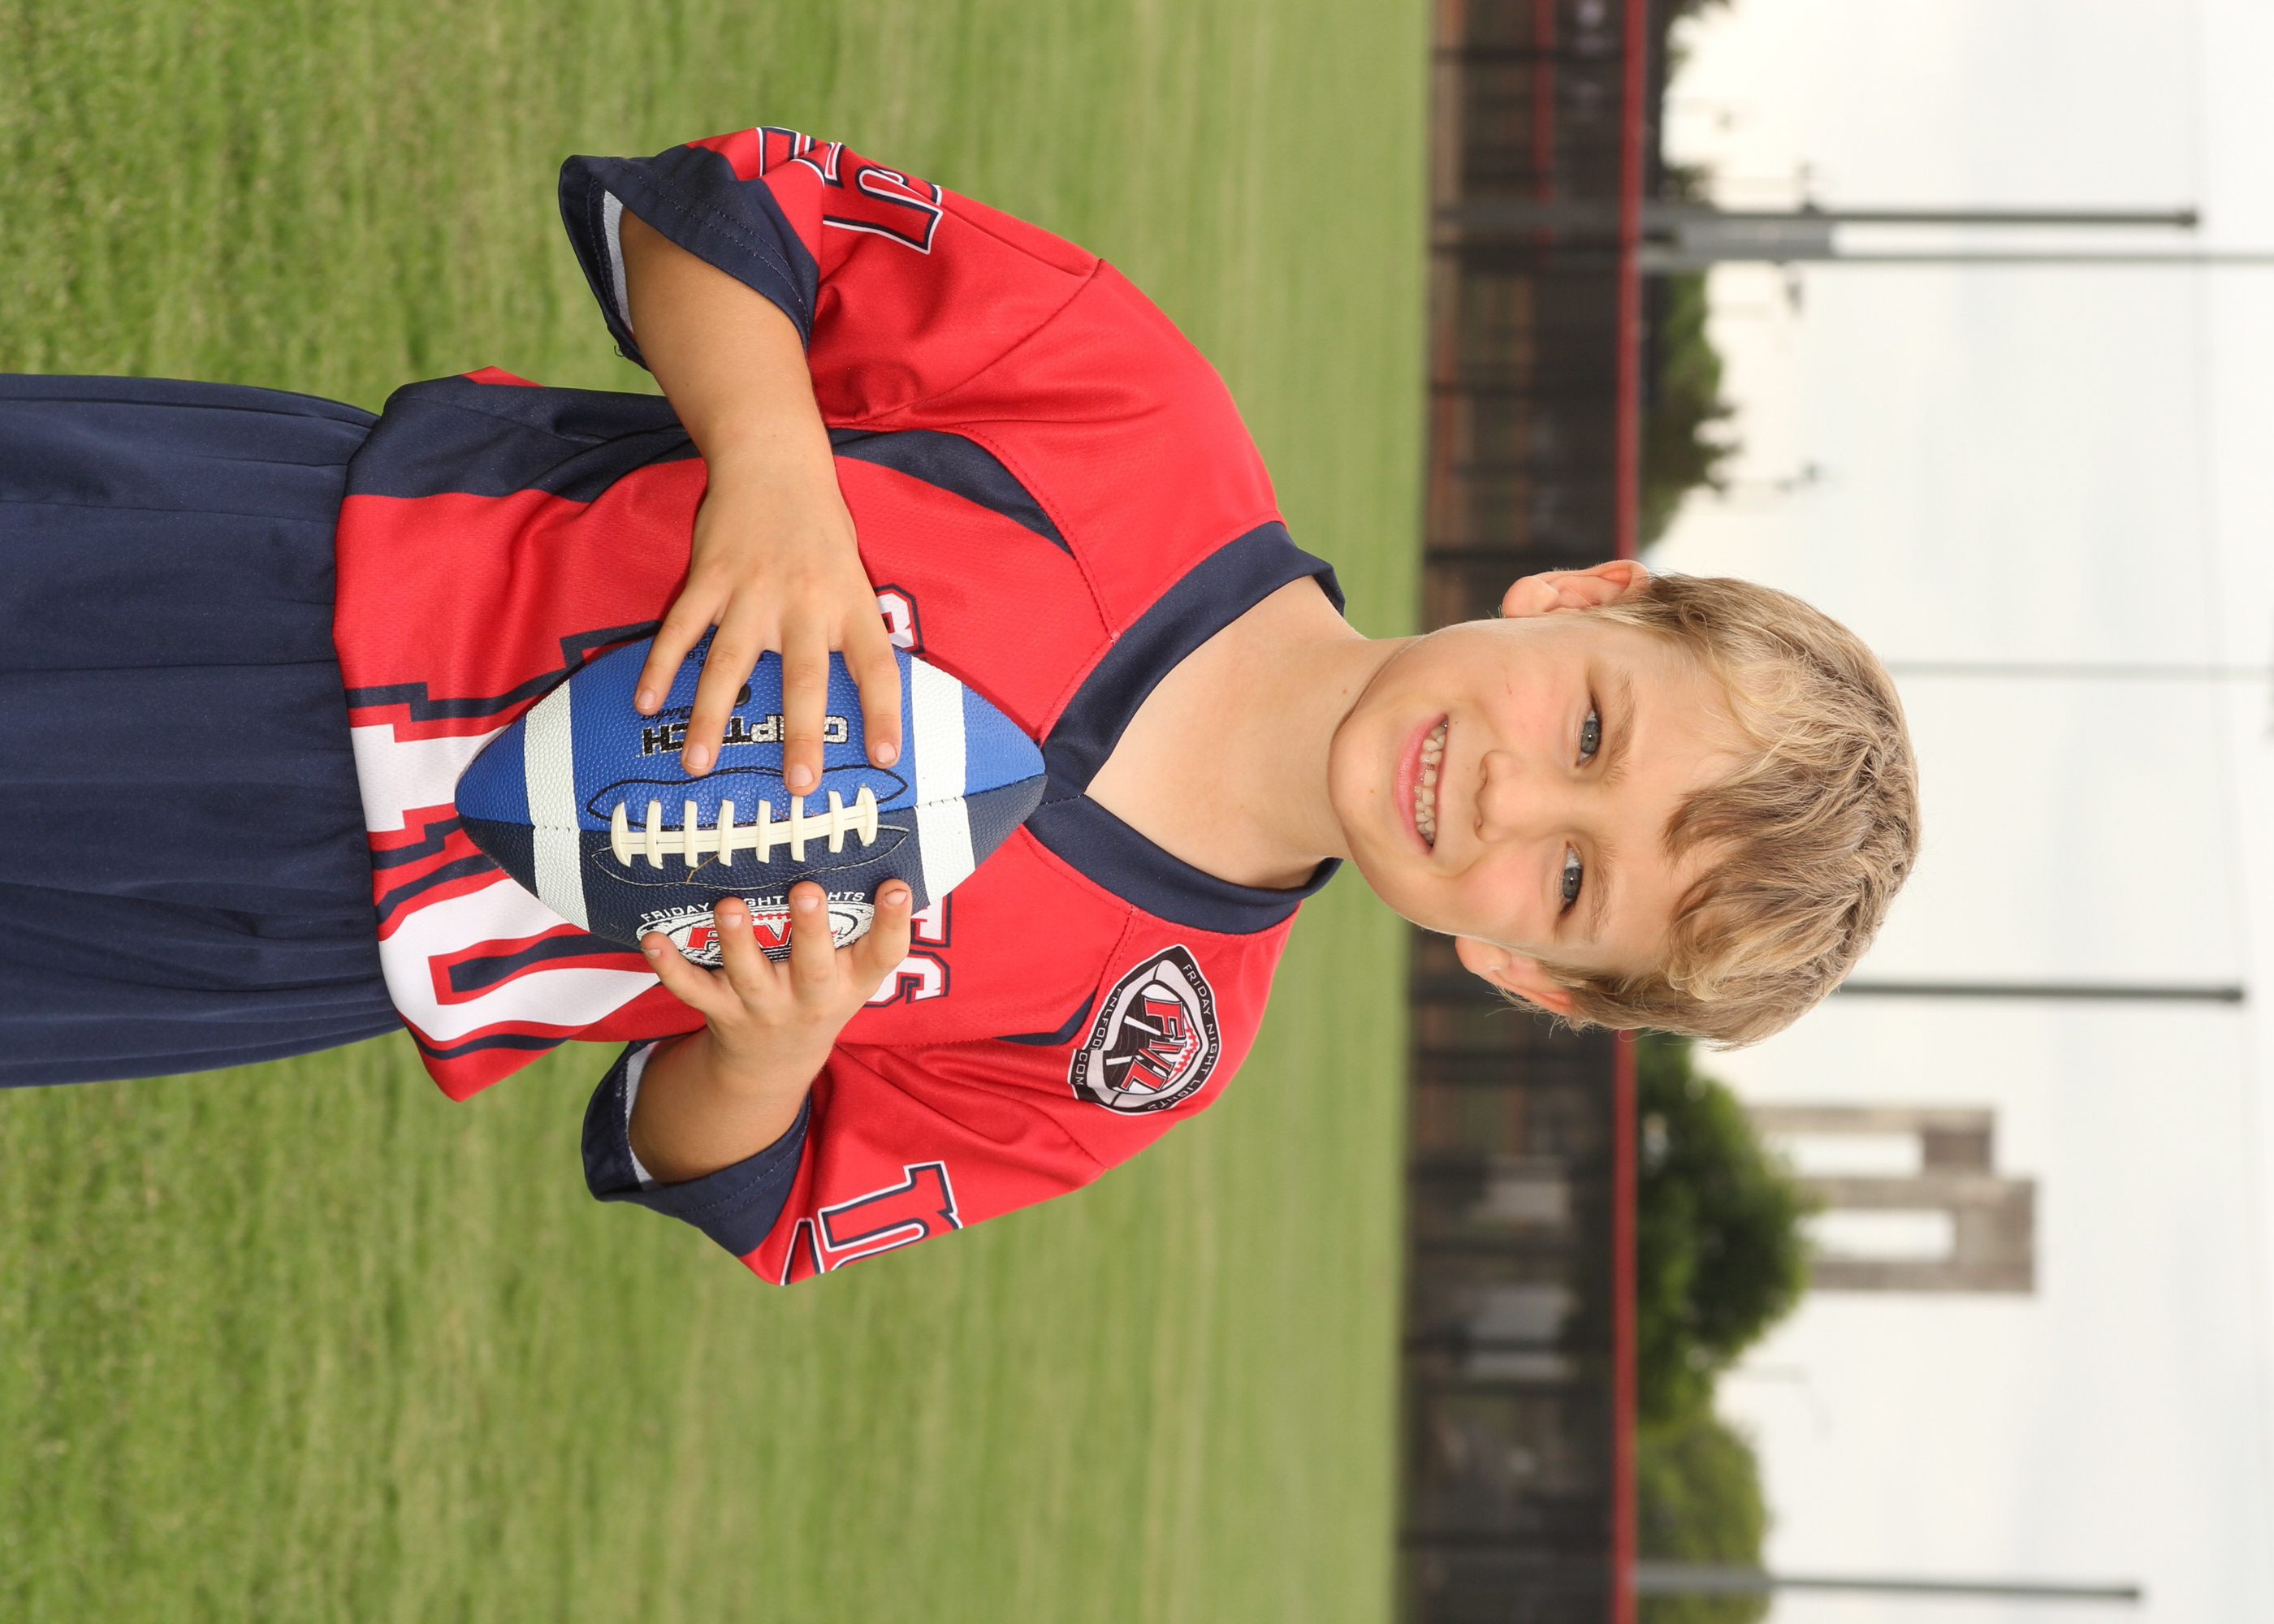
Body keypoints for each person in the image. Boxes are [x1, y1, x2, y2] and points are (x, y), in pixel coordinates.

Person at [0, 123, 1917, 1283]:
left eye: (1570, 883)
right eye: (1587, 731)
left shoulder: (1136, 1044)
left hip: (283, 937)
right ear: (1584, 596)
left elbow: (730, 1181)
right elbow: (712, 212)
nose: (1509, 800)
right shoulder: (1137, 413)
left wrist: (772, 1048)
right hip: (271, 561)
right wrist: (772, 467)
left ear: (1528, 978)